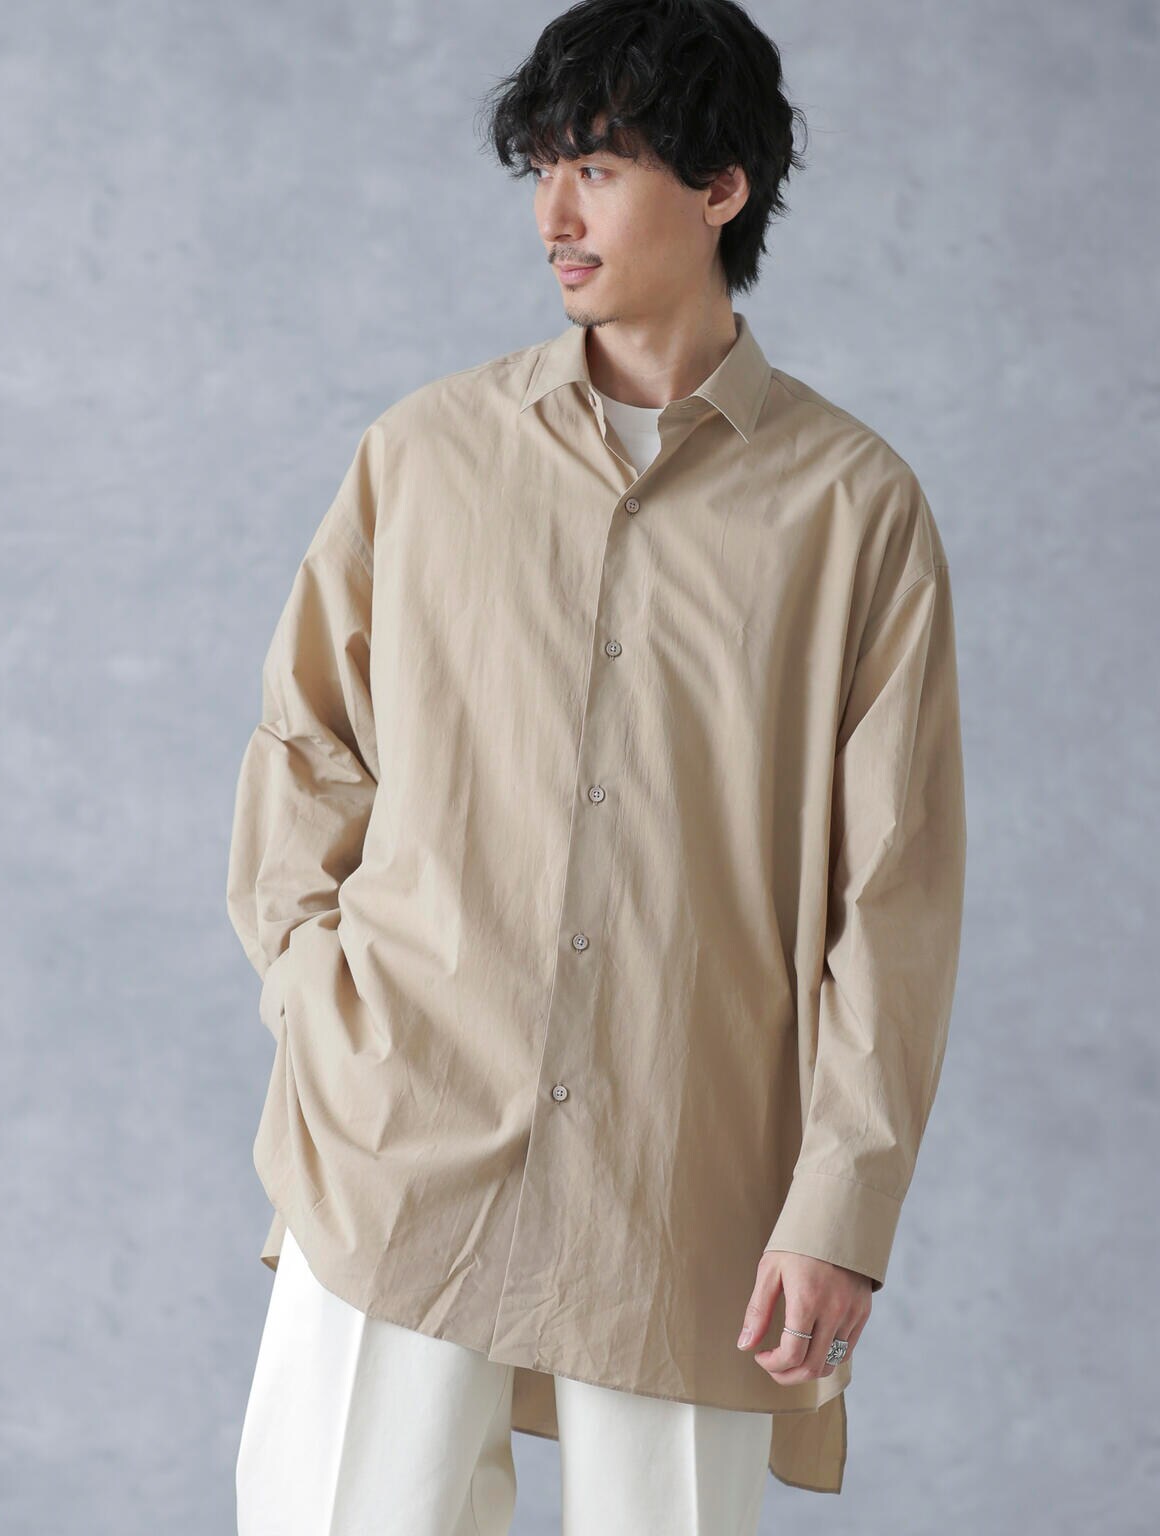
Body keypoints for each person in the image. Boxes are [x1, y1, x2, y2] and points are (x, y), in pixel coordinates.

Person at [225, 1, 967, 1531]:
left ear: (721, 188)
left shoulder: (854, 511)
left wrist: (842, 1205)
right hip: (403, 1134)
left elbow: (891, 897)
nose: (554, 214)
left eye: (601, 168)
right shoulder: (426, 455)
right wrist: (320, 1009)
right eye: (543, 169)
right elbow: (306, 749)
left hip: (685, 1163)